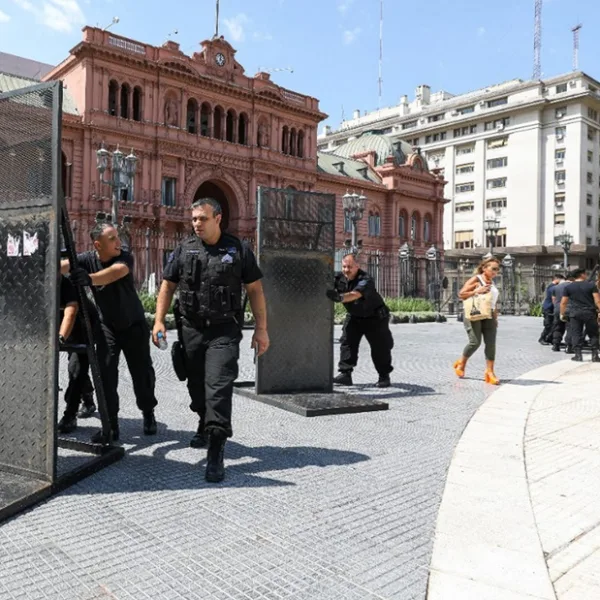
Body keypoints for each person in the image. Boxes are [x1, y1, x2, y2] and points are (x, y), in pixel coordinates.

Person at [153, 198, 269, 483]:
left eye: (202, 218)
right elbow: (168, 285)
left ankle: (216, 447)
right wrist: (158, 320)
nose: (196, 224)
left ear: (218, 218)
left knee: (218, 386)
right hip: (191, 329)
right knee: (196, 386)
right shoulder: (184, 249)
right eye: (193, 219)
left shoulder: (238, 249)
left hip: (223, 331)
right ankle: (203, 422)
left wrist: (262, 328)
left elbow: (254, 289)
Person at [61, 223, 158, 443]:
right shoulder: (87, 258)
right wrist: (42, 267)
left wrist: (89, 279)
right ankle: (111, 425)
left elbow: (116, 272)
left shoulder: (124, 257)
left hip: (134, 326)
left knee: (141, 375)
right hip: (107, 328)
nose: (119, 242)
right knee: (105, 376)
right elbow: (64, 266)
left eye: (117, 237)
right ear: (98, 245)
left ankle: (148, 411)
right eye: (112, 238)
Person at [326, 253, 394, 388]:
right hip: (355, 316)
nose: (346, 270)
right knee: (347, 342)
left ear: (357, 266)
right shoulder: (338, 278)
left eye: (349, 267)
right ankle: (345, 374)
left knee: (380, 347)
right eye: (344, 266)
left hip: (374, 318)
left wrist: (339, 298)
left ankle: (384, 376)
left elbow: (355, 295)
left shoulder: (366, 279)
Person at [57, 274, 99, 433]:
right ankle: (87, 393)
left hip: (84, 327)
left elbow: (71, 312)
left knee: (75, 369)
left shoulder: (66, 283)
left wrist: (60, 338)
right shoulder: (37, 281)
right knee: (76, 369)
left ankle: (70, 416)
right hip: (64, 327)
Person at [453, 256, 501, 384]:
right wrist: (477, 290)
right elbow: (461, 294)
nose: (495, 272)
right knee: (475, 342)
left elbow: (493, 302)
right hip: (475, 314)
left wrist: (495, 317)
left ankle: (490, 372)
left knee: (491, 344)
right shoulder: (476, 279)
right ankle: (461, 363)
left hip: (489, 315)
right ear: (484, 268)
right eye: (493, 269)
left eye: (497, 270)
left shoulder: (492, 282)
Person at [560, 268, 600, 362]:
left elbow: (563, 302)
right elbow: (597, 300)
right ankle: (595, 355)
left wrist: (562, 313)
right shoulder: (591, 286)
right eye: (585, 273)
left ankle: (578, 355)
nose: (586, 275)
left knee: (576, 333)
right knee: (593, 334)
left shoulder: (568, 287)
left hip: (575, 313)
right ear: (582, 275)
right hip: (589, 312)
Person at [551, 272, 574, 353]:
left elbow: (553, 299)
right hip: (569, 309)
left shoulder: (556, 287)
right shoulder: (572, 287)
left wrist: (557, 307)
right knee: (570, 328)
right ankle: (569, 346)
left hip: (557, 309)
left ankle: (555, 345)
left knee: (558, 327)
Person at [539, 274, 563, 345]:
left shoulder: (551, 286)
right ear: (557, 279)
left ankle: (549, 338)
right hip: (548, 308)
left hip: (550, 307)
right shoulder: (553, 287)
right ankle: (542, 338)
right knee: (548, 325)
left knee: (553, 324)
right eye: (561, 280)